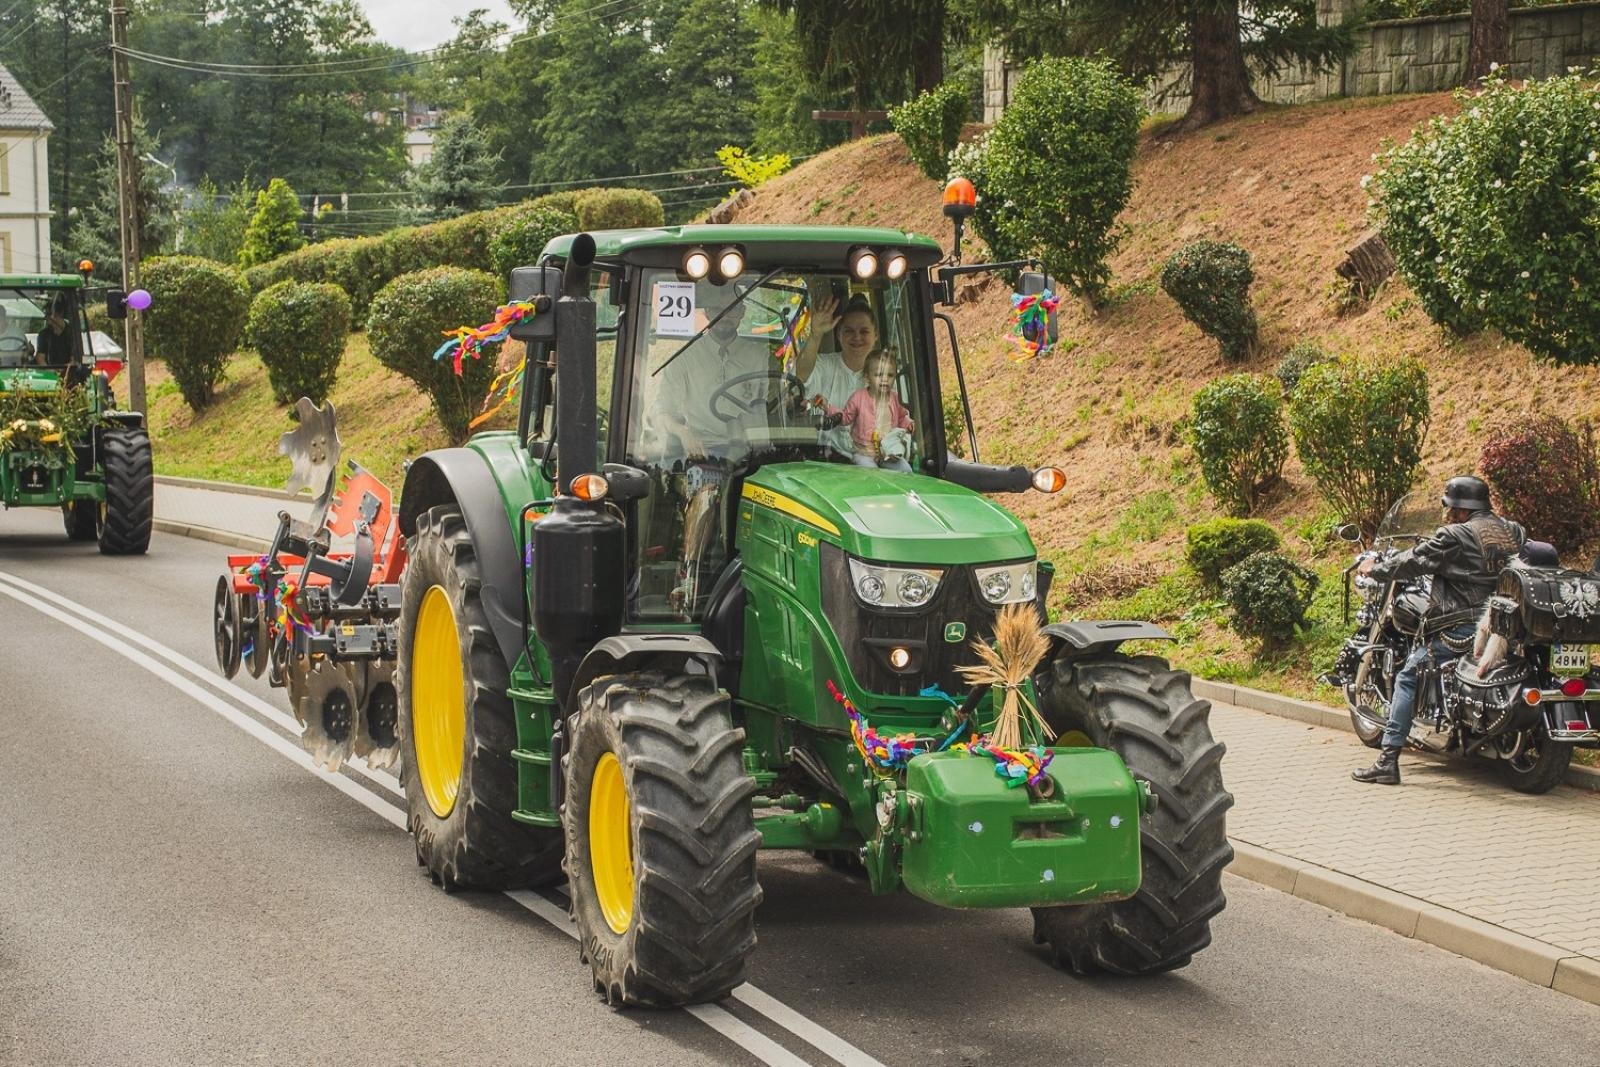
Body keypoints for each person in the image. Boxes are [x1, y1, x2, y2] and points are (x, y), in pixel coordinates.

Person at [1352, 475, 1526, 785]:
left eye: (1449, 507)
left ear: (1459, 509)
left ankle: (1388, 760)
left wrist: (1375, 569)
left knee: (1408, 676)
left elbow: (1414, 560)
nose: (1446, 512)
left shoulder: (1455, 535)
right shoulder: (1510, 530)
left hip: (1462, 628)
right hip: (1504, 626)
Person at [796, 292, 878, 456]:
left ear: (876, 336)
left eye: (864, 332)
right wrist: (816, 334)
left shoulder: (885, 375)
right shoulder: (824, 364)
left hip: (873, 468)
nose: (856, 337)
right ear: (839, 334)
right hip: (826, 465)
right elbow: (801, 375)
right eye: (849, 331)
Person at [817, 349, 915, 472]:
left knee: (906, 471)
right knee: (871, 476)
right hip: (863, 454)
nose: (885, 379)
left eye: (890, 375)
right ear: (867, 377)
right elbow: (846, 417)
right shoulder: (858, 398)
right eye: (879, 375)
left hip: (889, 452)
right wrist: (827, 407)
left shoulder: (895, 398)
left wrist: (908, 424)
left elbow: (902, 416)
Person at [35, 296, 75, 367]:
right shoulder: (44, 334)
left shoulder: (72, 333)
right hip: (49, 373)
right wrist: (50, 371)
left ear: (61, 314)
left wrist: (66, 368)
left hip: (69, 372)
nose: (49, 321)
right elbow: (40, 358)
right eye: (47, 317)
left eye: (54, 316)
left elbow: (75, 358)